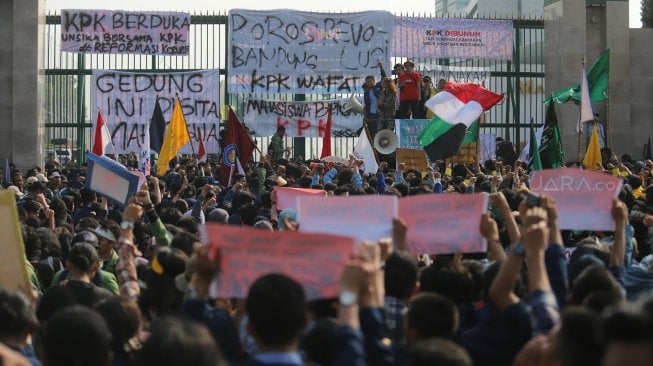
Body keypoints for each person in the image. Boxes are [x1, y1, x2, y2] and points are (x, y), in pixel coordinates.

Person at [363, 63, 386, 138]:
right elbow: (366, 105)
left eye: (370, 81)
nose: (369, 83)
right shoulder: (366, 93)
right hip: (372, 114)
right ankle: (373, 146)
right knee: (372, 131)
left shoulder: (378, 87)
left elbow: (384, 78)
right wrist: (367, 116)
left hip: (380, 113)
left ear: (374, 81)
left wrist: (381, 68)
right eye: (367, 81)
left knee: (380, 130)